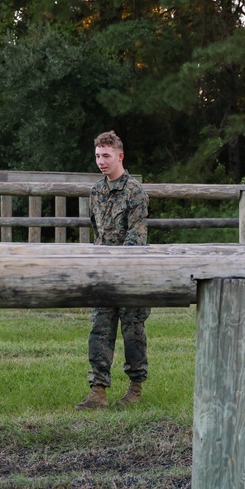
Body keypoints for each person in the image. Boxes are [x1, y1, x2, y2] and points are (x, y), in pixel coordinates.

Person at [76, 130, 151, 410]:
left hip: (131, 274)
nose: (101, 161)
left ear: (120, 156)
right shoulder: (96, 192)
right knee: (100, 330)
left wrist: (119, 268)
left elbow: (136, 237)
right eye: (97, 156)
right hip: (103, 274)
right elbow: (97, 231)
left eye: (106, 155)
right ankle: (98, 390)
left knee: (133, 333)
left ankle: (135, 387)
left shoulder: (135, 193)